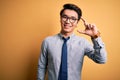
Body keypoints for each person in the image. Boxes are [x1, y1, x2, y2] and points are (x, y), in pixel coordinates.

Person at [37, 3, 107, 80]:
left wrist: (95, 36)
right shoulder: (48, 42)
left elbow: (101, 60)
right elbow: (42, 66)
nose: (67, 21)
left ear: (77, 23)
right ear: (60, 19)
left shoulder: (82, 43)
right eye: (65, 17)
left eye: (73, 19)